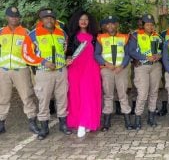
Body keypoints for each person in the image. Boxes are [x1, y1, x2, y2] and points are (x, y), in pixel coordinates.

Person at [22, 8, 72, 140]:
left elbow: (64, 50)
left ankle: (63, 125)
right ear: (41, 20)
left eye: (51, 18)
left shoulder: (62, 33)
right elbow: (26, 54)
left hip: (61, 71)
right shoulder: (33, 34)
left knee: (62, 98)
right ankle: (44, 127)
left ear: (55, 20)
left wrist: (67, 59)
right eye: (46, 18)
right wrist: (43, 62)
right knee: (44, 99)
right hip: (44, 73)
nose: (49, 20)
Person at [0, 7, 39, 134]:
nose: (14, 18)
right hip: (3, 70)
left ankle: (32, 122)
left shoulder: (26, 32)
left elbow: (33, 50)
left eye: (16, 16)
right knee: (2, 98)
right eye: (11, 16)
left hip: (21, 70)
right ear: (7, 17)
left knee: (27, 96)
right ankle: (1, 123)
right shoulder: (1, 32)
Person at [66, 9, 101, 138]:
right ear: (77, 21)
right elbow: (67, 52)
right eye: (81, 19)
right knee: (76, 96)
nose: (84, 21)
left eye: (86, 19)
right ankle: (78, 121)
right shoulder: (71, 36)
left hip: (91, 69)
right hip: (75, 69)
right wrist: (67, 58)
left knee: (88, 95)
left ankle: (85, 122)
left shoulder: (96, 36)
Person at [95, 15, 132, 131]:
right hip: (107, 69)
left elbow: (127, 54)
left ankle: (127, 120)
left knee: (123, 94)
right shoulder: (100, 38)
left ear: (117, 25)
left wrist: (122, 66)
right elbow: (96, 54)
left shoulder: (124, 37)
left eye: (113, 23)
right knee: (108, 94)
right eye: (108, 24)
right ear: (105, 26)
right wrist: (106, 64)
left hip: (121, 69)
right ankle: (106, 121)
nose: (111, 26)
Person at [129, 14, 163, 130]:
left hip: (155, 66)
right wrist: (145, 57)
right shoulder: (135, 36)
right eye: (147, 24)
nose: (150, 26)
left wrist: (159, 55)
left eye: (151, 24)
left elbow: (163, 50)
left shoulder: (157, 36)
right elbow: (131, 51)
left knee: (154, 92)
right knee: (143, 93)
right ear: (143, 25)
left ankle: (151, 116)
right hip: (142, 67)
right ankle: (138, 117)